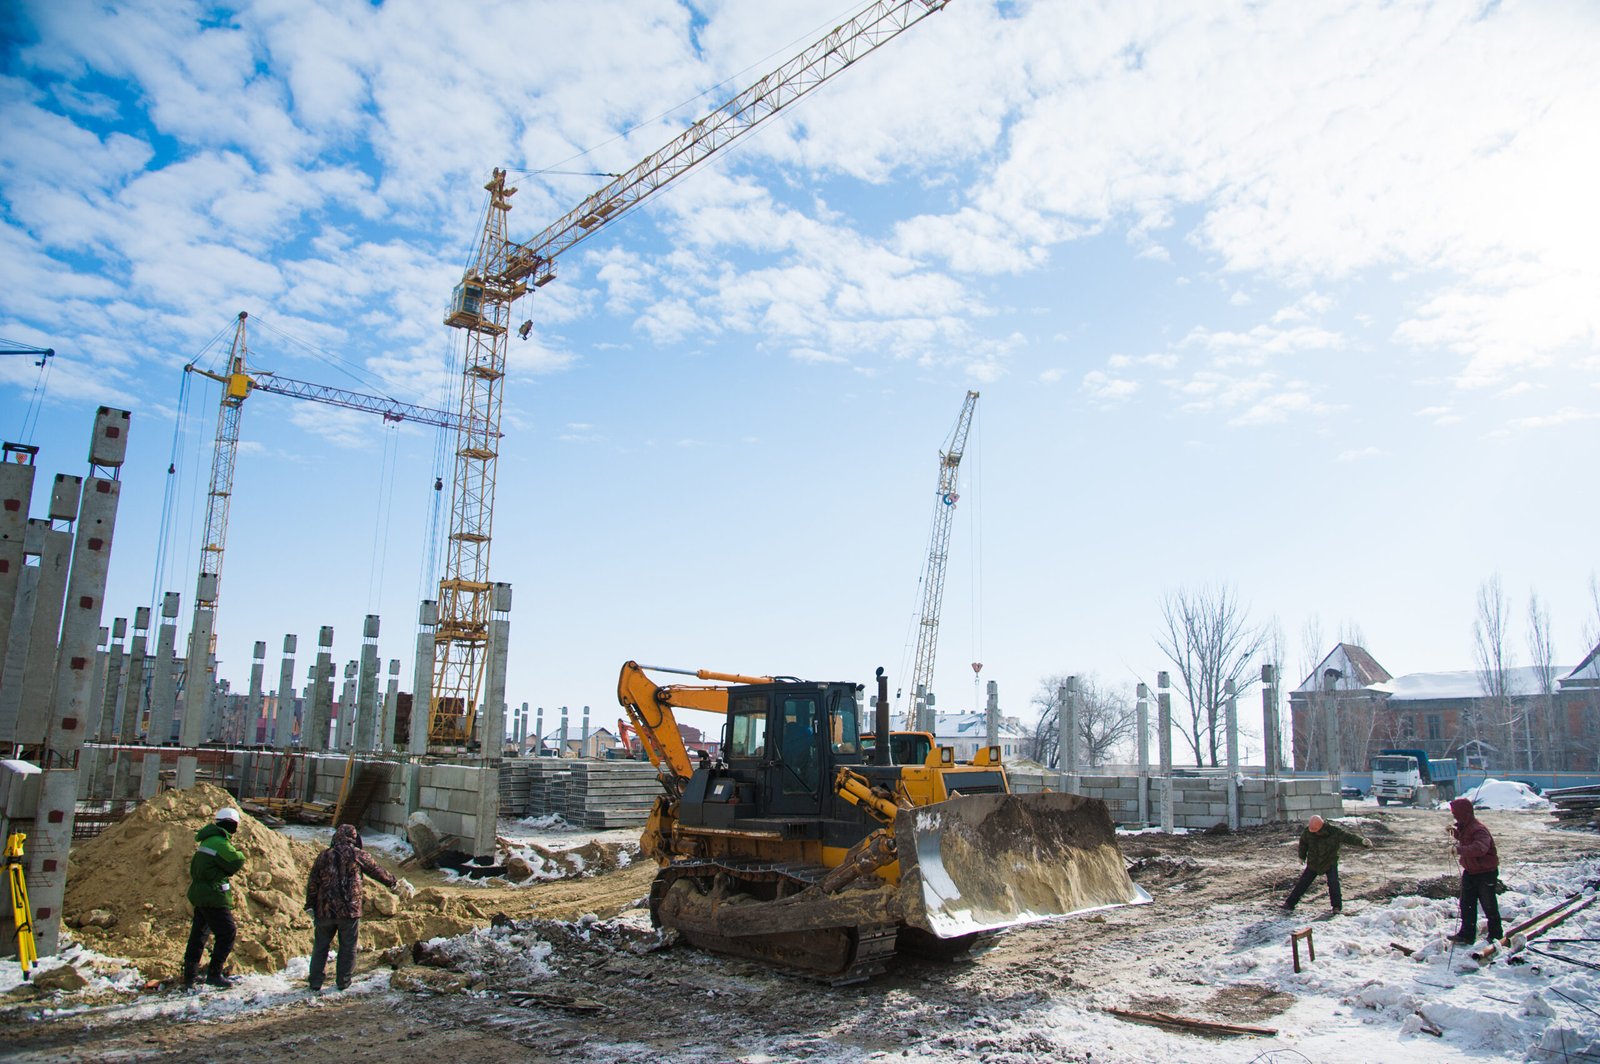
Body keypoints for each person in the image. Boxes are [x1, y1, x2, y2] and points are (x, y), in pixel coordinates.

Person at [305, 824, 400, 992]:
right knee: (348, 946)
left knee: (321, 946)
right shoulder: (357, 854)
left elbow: (313, 883)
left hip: (324, 910)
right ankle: (343, 981)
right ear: (353, 838)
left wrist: (310, 905)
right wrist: (393, 882)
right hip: (349, 910)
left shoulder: (324, 855)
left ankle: (315, 982)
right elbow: (376, 870)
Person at [183, 806, 246, 990]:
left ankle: (190, 976)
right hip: (213, 895)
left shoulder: (207, 841)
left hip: (200, 893)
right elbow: (236, 860)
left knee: (199, 934)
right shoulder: (219, 842)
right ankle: (214, 974)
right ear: (230, 824)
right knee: (227, 932)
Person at [1281, 813, 1371, 914]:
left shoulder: (1334, 831)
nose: (1315, 832)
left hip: (1329, 862)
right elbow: (1303, 843)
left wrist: (1362, 842)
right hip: (1313, 862)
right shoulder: (1308, 832)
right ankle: (1290, 903)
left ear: (1321, 826)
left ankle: (1336, 907)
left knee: (1333, 884)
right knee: (1303, 883)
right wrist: (1302, 856)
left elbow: (1348, 837)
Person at [1448, 797, 1503, 944]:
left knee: (1489, 905)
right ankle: (1467, 934)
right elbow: (1466, 837)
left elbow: (1480, 848)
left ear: (1464, 813)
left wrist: (1458, 850)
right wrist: (1454, 832)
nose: (1454, 816)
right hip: (1471, 871)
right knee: (1466, 904)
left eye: (1455, 813)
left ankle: (1496, 935)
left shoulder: (1479, 829)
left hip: (1485, 872)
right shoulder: (1466, 826)